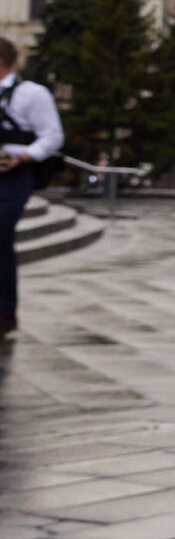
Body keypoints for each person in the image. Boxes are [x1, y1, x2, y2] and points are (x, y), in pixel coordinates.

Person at [0, 37, 65, 340]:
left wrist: (22, 157)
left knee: (0, 235)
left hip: (14, 174)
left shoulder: (32, 94)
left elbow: (52, 136)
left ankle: (4, 313)